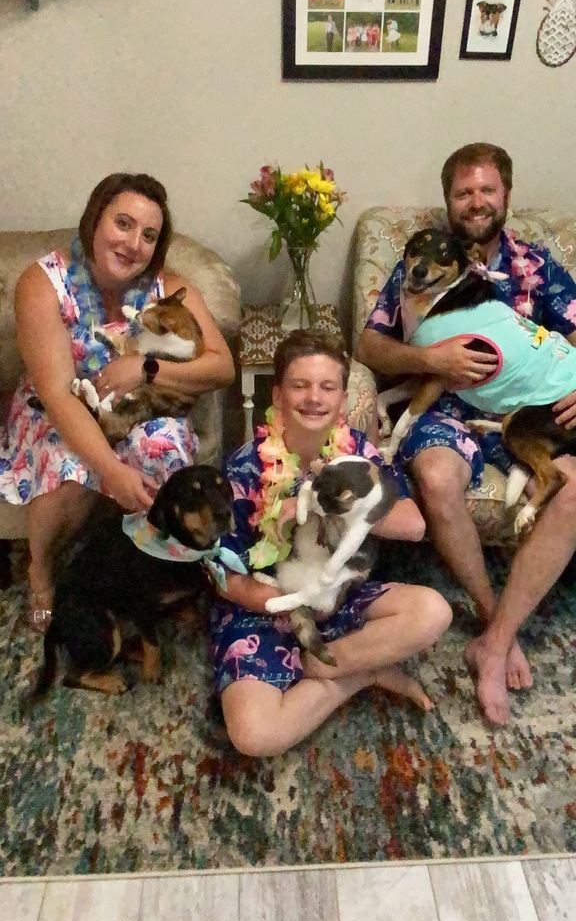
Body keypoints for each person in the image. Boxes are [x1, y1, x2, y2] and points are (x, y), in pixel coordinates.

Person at [356, 142, 576, 725]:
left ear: (506, 195)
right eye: (463, 192)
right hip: (447, 408)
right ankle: (487, 611)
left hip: (528, 408)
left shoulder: (536, 265)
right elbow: (370, 345)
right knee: (434, 475)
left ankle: (496, 643)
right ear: (448, 201)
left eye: (487, 190)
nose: (476, 201)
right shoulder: (421, 263)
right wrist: (432, 361)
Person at [0, 172, 234, 629]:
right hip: (60, 408)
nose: (133, 243)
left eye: (148, 235)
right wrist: (112, 470)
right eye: (123, 224)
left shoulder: (168, 288)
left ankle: (158, 568)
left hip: (142, 404)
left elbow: (222, 367)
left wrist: (146, 368)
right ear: (95, 220)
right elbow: (57, 395)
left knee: (163, 450)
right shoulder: (42, 283)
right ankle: (40, 570)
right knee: (69, 463)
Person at [210, 330, 452, 757]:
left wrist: (326, 507)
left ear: (342, 400)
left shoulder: (358, 454)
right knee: (253, 736)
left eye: (327, 387)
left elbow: (413, 525)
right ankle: (359, 675)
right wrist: (292, 603)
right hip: (265, 602)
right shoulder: (244, 467)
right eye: (300, 385)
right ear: (278, 394)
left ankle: (322, 664)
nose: (314, 398)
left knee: (434, 611)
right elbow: (221, 577)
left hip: (341, 588)